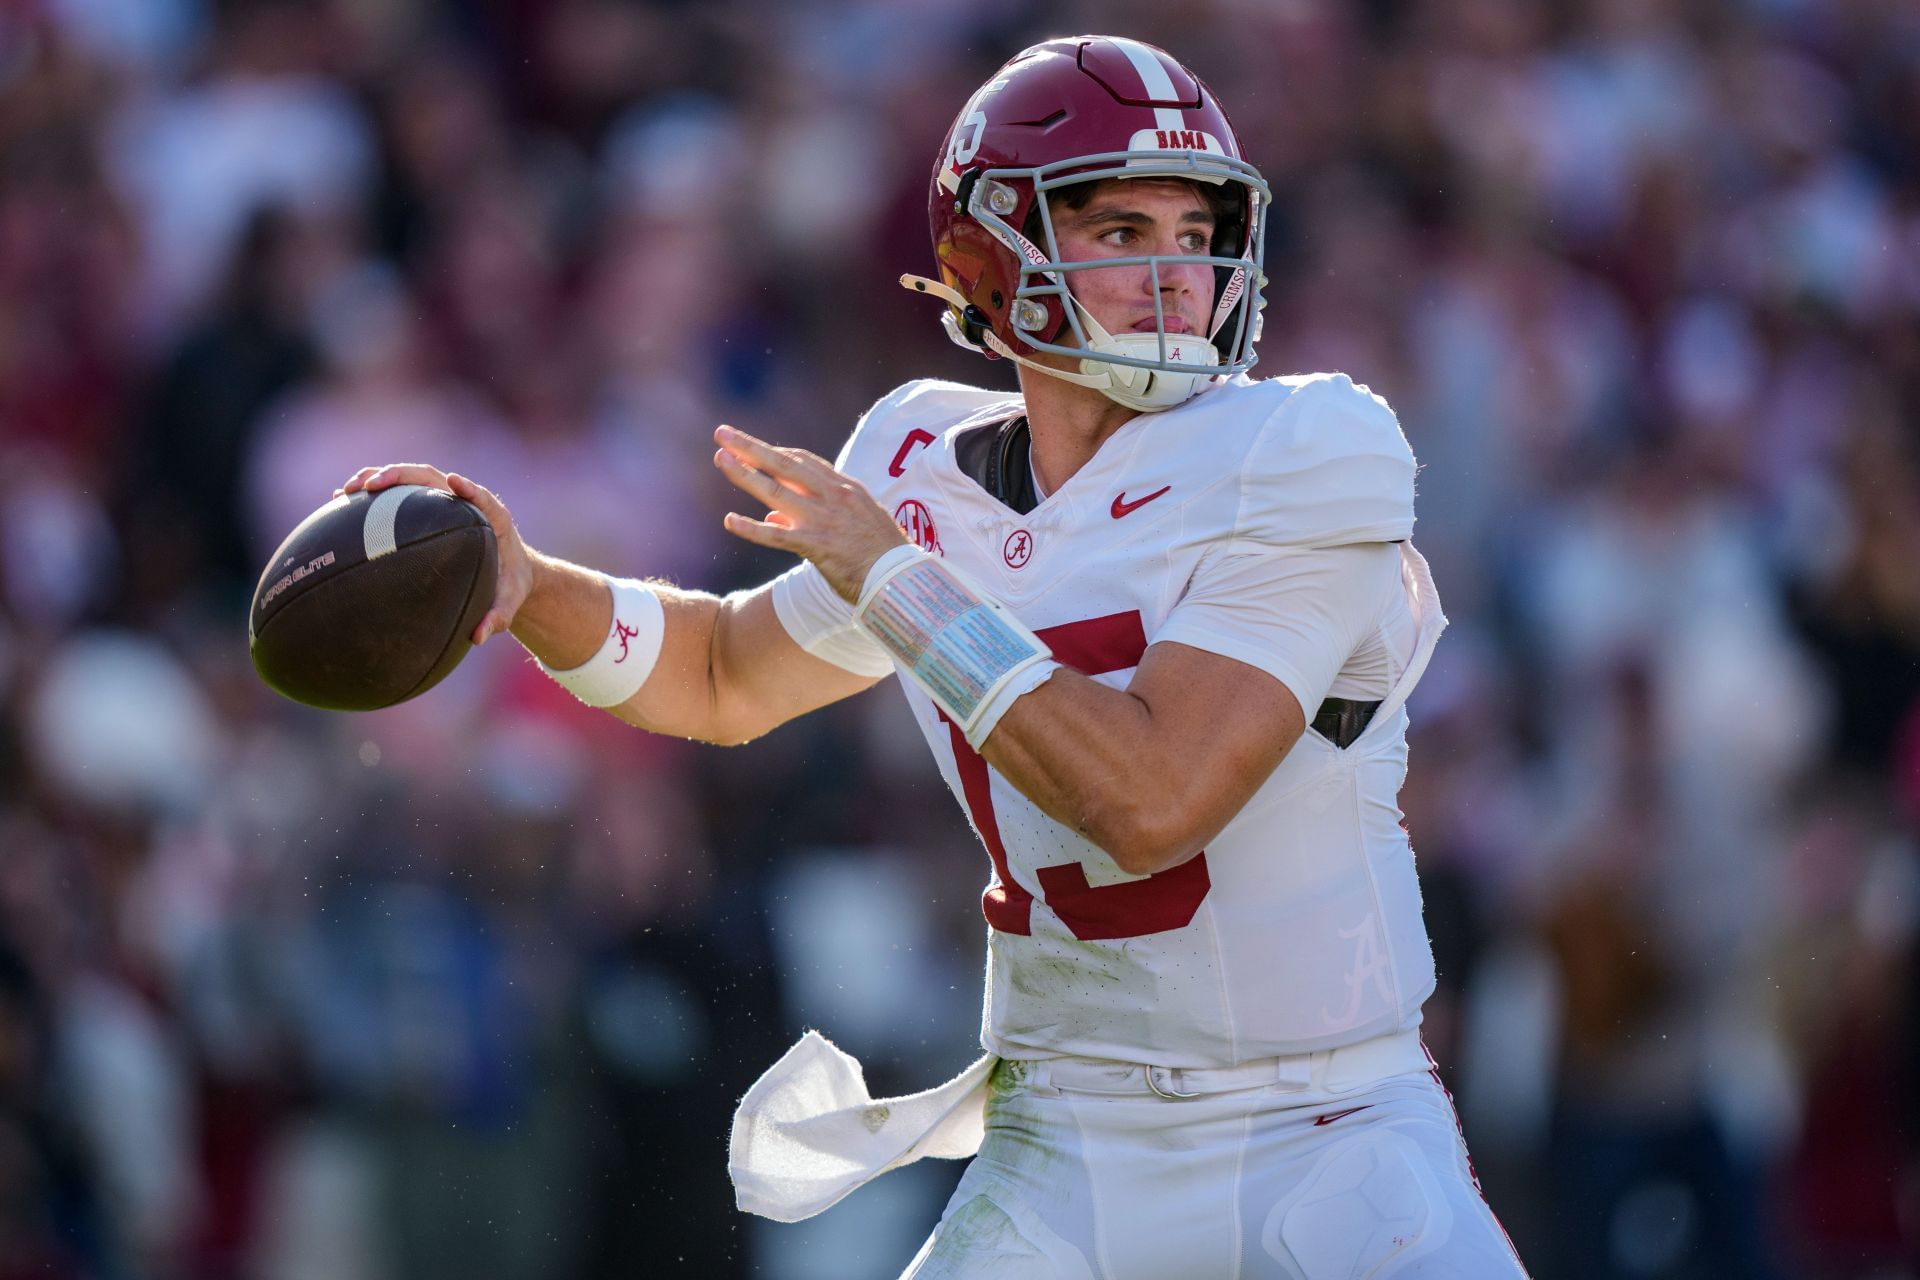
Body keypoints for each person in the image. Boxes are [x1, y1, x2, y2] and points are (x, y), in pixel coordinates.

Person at [340, 34, 1528, 1279]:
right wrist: (531, 584)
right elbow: (721, 674)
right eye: (1122, 232)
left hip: (1321, 1128)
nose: (1177, 272)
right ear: (991, 258)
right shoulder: (921, 462)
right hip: (1068, 1136)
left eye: (1197, 226)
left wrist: (895, 580)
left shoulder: (1307, 447)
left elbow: (1157, 799)